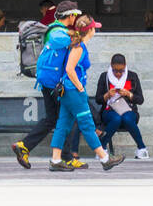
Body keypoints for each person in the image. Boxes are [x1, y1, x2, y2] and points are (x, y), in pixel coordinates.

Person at [48, 15, 125, 172]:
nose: (95, 29)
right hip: (74, 92)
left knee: (63, 124)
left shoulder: (77, 45)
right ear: (89, 30)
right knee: (87, 124)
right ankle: (104, 158)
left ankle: (55, 160)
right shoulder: (79, 47)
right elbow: (70, 69)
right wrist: (80, 88)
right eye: (94, 27)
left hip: (67, 92)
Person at [12, 0, 83, 169]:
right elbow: (62, 41)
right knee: (66, 117)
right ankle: (64, 158)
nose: (76, 18)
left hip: (48, 82)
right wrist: (81, 35)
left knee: (54, 119)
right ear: (70, 15)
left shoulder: (57, 29)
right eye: (76, 15)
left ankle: (25, 146)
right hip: (53, 84)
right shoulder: (57, 31)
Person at [95, 53, 147, 158]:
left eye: (121, 71)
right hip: (109, 110)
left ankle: (142, 149)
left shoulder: (132, 76)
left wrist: (128, 94)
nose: (118, 74)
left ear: (125, 66)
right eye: (115, 71)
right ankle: (102, 149)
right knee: (116, 119)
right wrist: (107, 95)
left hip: (128, 110)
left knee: (126, 118)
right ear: (111, 66)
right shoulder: (105, 76)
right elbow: (98, 99)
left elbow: (140, 100)